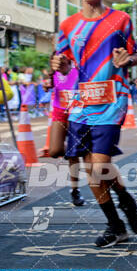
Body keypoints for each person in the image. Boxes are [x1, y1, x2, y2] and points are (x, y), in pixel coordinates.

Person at [51, 0, 137, 247]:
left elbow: (136, 55)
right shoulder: (68, 25)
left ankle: (123, 209)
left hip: (111, 99)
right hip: (81, 102)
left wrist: (127, 60)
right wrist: (59, 64)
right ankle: (118, 222)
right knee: (94, 167)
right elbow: (63, 64)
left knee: (98, 166)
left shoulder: (120, 20)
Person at [47, 52, 84, 206]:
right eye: (56, 60)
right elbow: (52, 85)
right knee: (54, 151)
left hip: (76, 111)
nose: (59, 63)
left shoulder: (79, 70)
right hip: (59, 112)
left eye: (62, 59)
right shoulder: (53, 73)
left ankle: (75, 190)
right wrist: (46, 85)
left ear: (69, 60)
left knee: (73, 153)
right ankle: (72, 150)